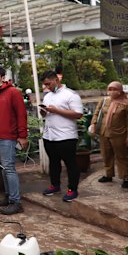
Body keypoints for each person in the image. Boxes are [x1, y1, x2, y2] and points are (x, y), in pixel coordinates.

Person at [0, 66, 28, 215]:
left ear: (3, 78)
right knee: (4, 168)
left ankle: (16, 202)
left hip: (8, 138)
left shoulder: (13, 93)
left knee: (9, 168)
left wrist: (22, 136)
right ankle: (9, 197)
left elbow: (22, 115)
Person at [40, 70, 84, 202]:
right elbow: (46, 115)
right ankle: (55, 185)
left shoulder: (70, 95)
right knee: (53, 162)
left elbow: (78, 114)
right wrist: (44, 112)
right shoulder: (47, 96)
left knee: (70, 163)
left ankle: (72, 189)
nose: (47, 87)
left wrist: (56, 110)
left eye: (48, 84)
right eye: (45, 85)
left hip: (66, 136)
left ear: (56, 80)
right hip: (50, 135)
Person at [92, 81, 128, 189]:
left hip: (119, 133)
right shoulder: (104, 101)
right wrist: (93, 124)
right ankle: (108, 174)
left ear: (120, 91)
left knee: (122, 156)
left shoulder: (127, 103)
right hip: (104, 132)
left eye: (115, 89)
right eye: (110, 89)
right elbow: (96, 113)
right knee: (106, 155)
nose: (112, 92)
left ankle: (125, 177)